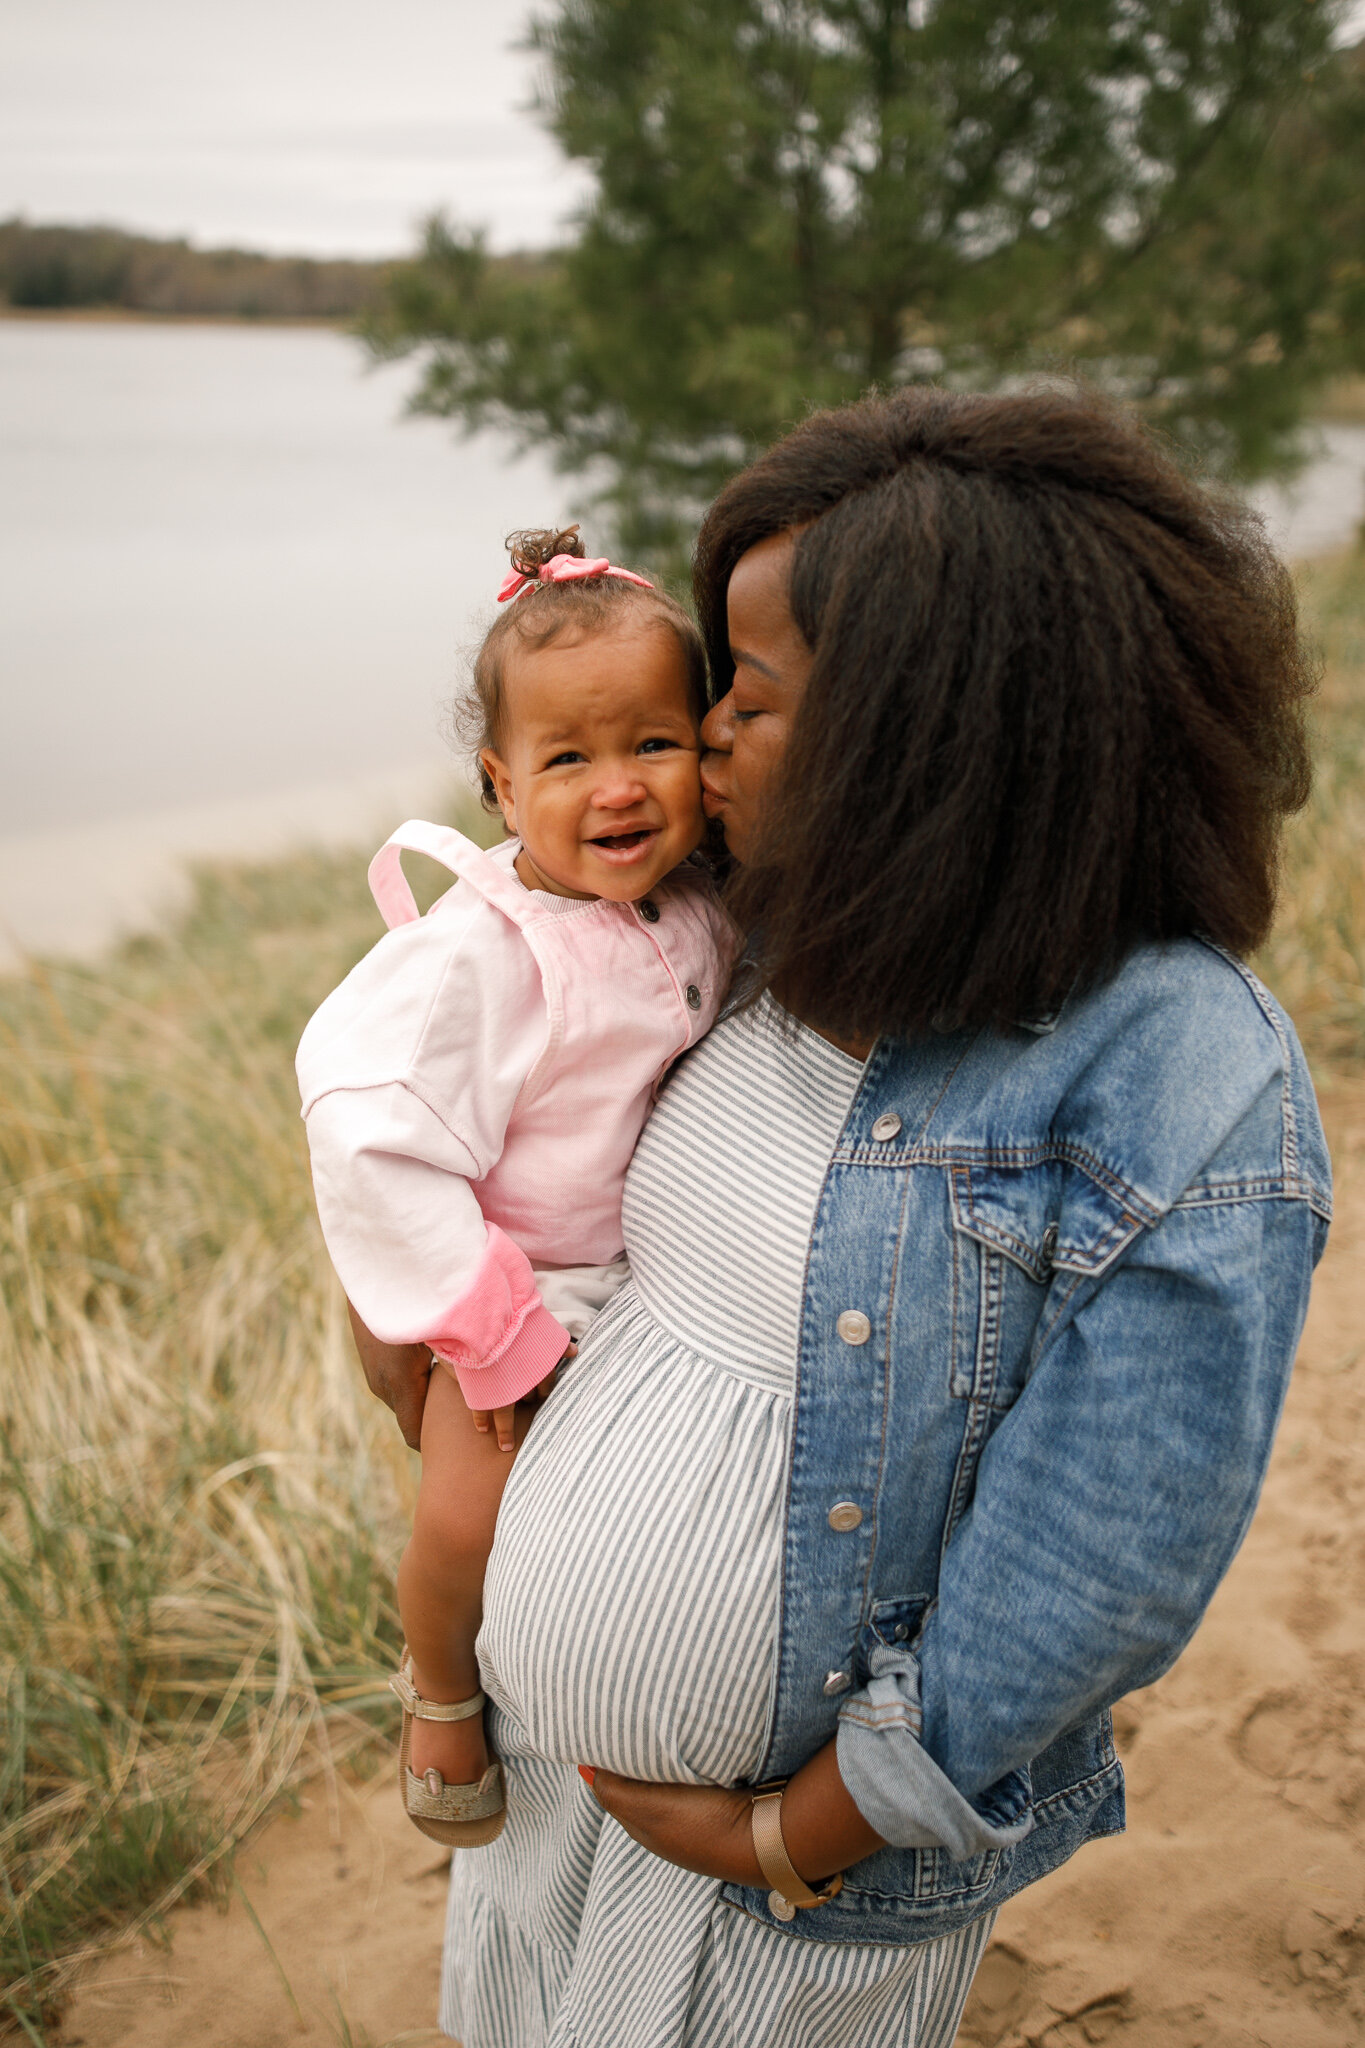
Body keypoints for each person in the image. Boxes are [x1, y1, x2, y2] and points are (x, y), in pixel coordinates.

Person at [348, 387, 1330, 2048]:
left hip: (785, 1856)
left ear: (935, 731)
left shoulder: (1174, 1077)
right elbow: (497, 1150)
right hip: (549, 1774)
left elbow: (1101, 1558)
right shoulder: (747, 925)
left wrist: (797, 1831)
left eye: (752, 698)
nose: (702, 738)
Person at [297, 526, 734, 1845]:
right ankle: (437, 1697)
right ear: (498, 786)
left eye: (653, 745)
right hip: (512, 1280)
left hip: (649, 1272)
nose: (617, 790)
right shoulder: (481, 954)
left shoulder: (696, 897)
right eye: (566, 760)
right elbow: (368, 1130)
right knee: (468, 1506)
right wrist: (487, 1333)